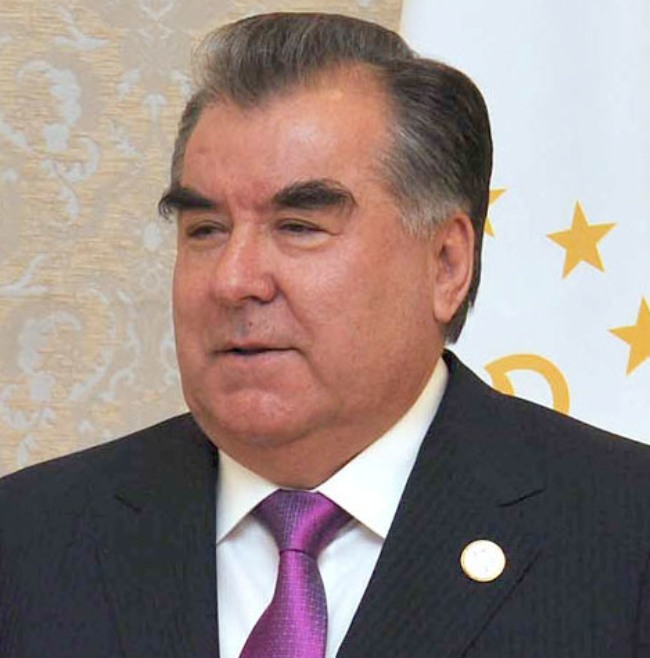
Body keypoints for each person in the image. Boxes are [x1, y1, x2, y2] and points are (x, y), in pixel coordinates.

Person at [1, 12, 650, 658]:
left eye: (299, 226)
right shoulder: (29, 539)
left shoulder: (624, 534)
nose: (233, 280)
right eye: (206, 230)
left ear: (447, 264)